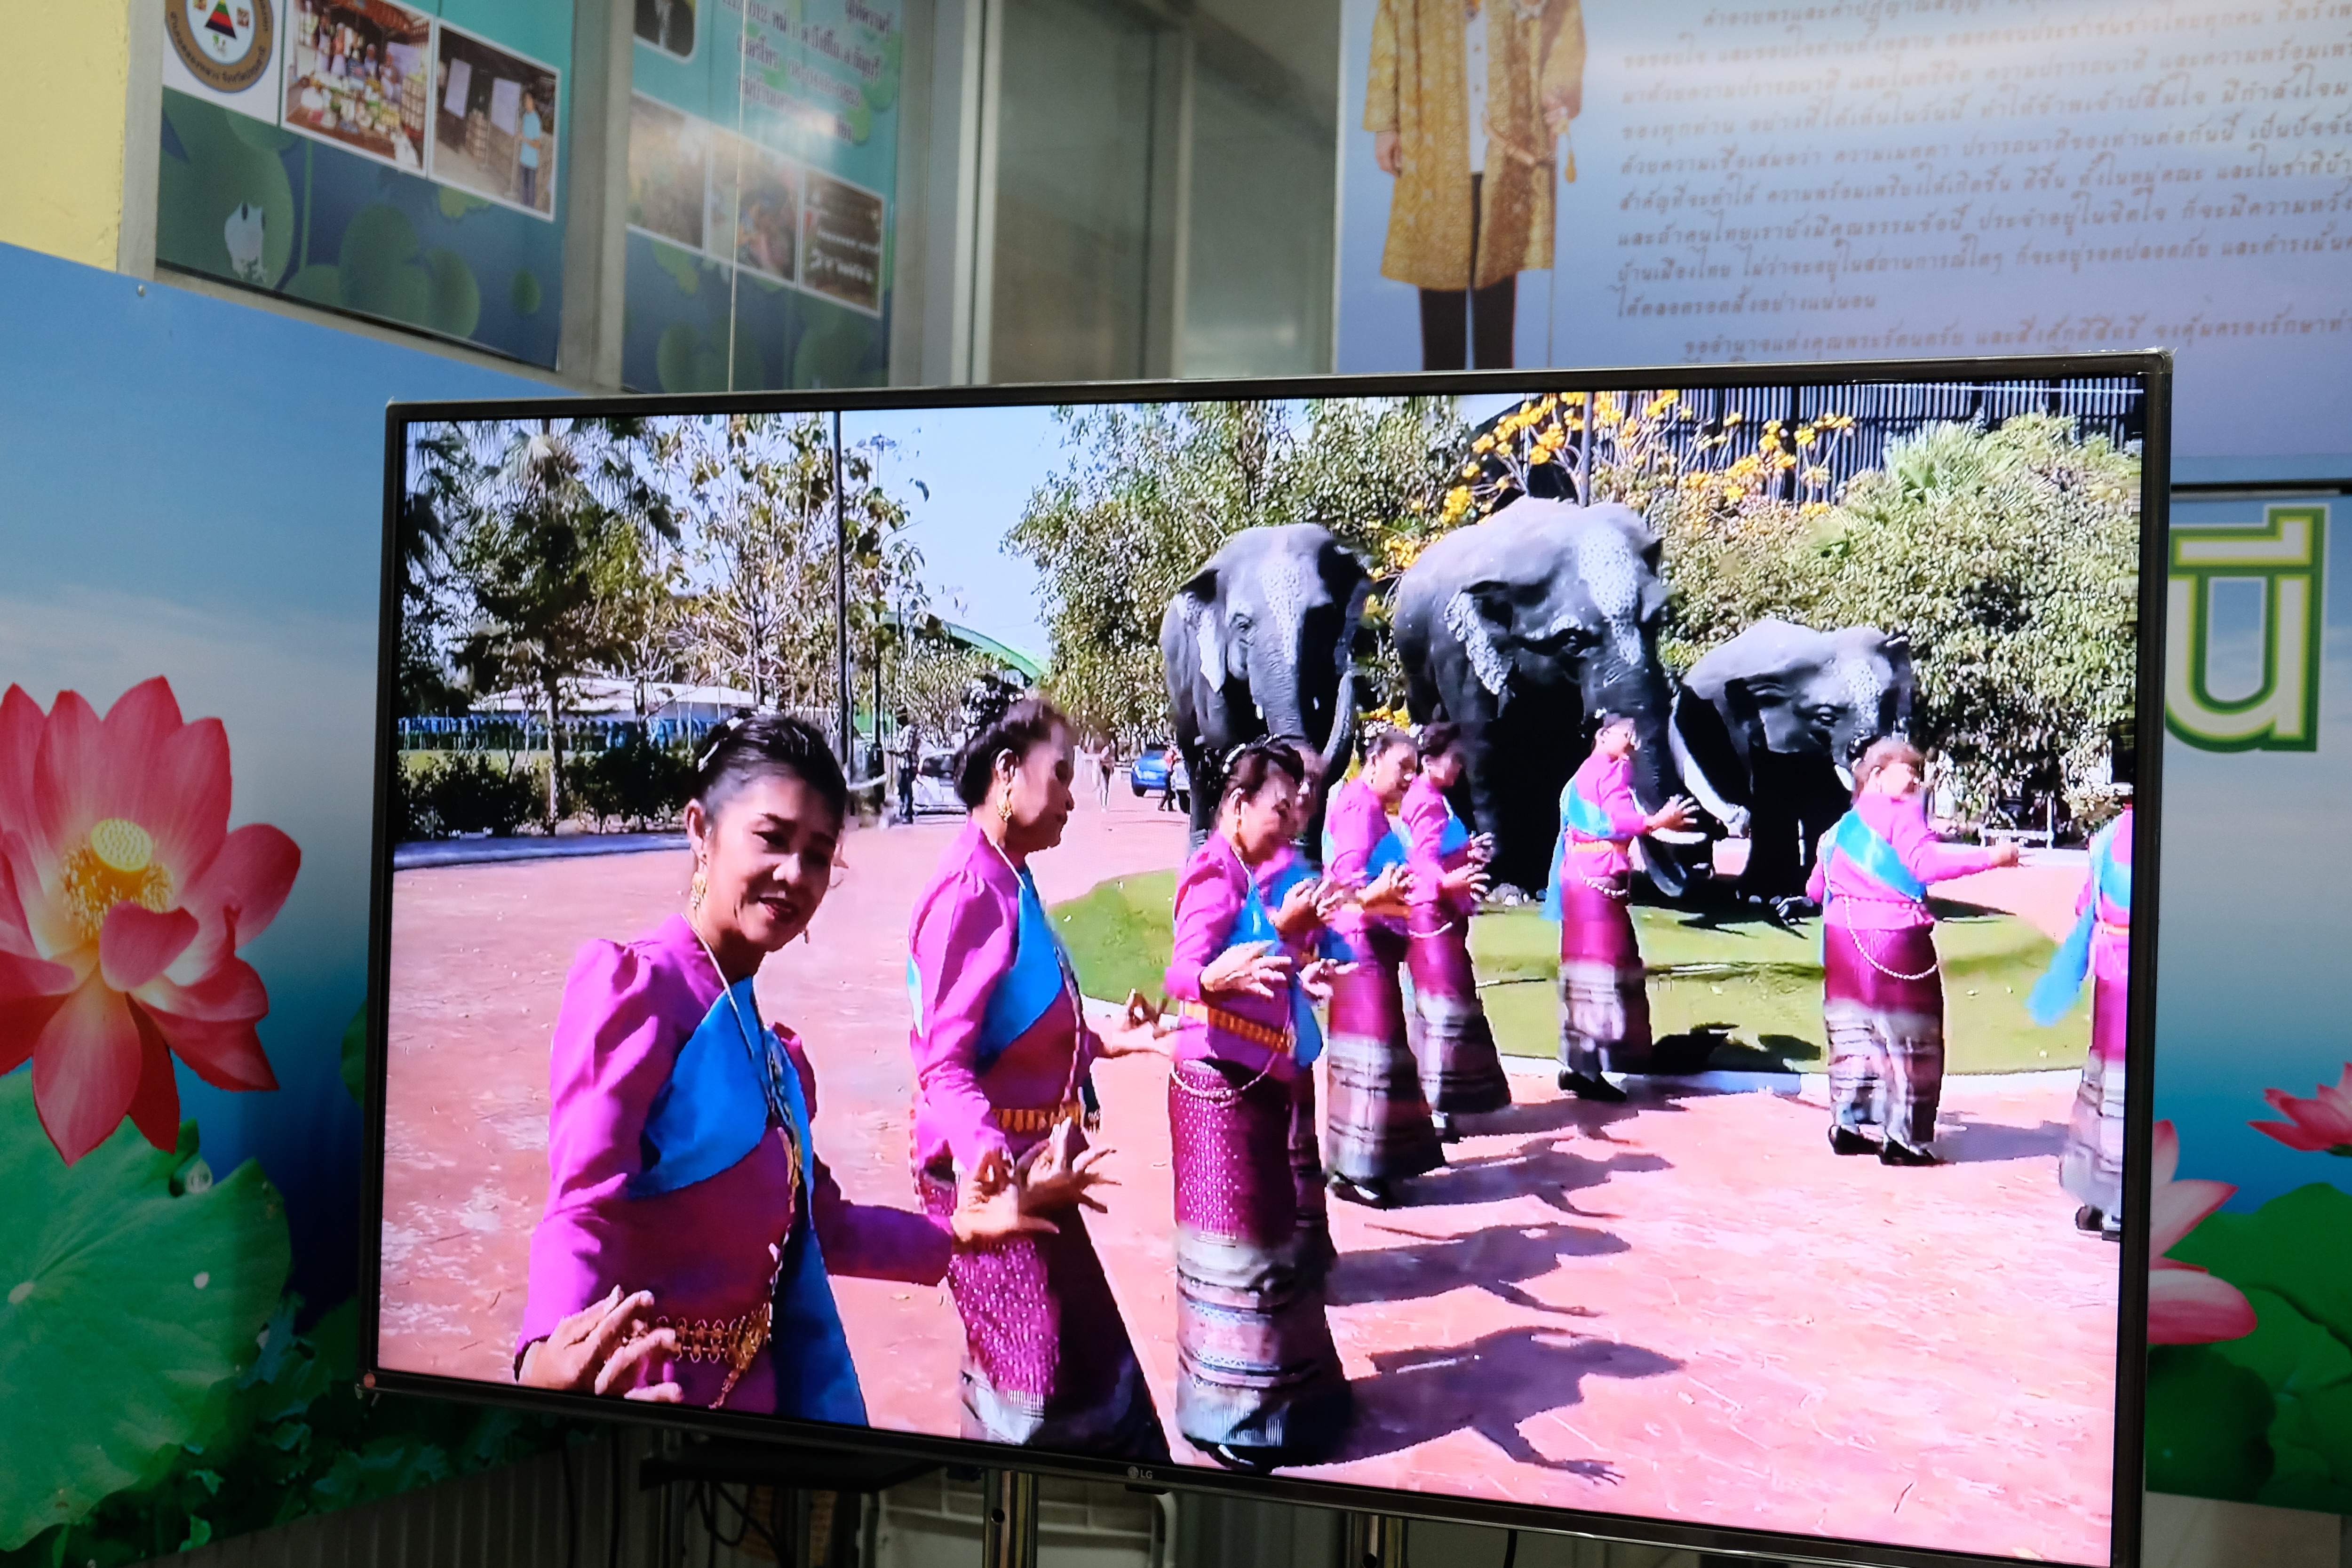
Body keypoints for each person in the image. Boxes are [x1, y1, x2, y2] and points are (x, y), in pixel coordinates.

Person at [515, 715, 1043, 1413]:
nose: (796, 873)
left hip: (769, 1403)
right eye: (772, 838)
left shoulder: (770, 1048)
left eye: (819, 854)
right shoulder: (639, 995)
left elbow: (822, 1225)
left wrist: (959, 1236)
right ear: (701, 830)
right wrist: (544, 1349)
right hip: (658, 1402)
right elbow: (585, 1204)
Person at [905, 695, 1173, 1457]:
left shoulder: (1008, 878)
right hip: (993, 1184)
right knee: (1039, 1388)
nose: (1071, 797)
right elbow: (945, 1067)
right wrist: (993, 1165)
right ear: (1006, 773)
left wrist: (1108, 1040)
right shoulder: (969, 894)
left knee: (1075, 1369)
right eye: (1059, 776)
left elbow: (1022, 1033)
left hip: (1033, 1178)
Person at [1163, 739, 1352, 1470]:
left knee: (1262, 1246)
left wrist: (1294, 976)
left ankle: (1260, 1401)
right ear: (1238, 807)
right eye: (1279, 808)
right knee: (1236, 1258)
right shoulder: (1212, 873)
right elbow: (1185, 969)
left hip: (1251, 1081)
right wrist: (1215, 978)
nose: (1290, 822)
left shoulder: (1244, 872)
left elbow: (1255, 961)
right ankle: (1236, 1418)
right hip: (1217, 1091)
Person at [1806, 738, 2018, 1166]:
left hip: (1843, 942)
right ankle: (1903, 1138)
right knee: (1909, 1038)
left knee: (1855, 1034)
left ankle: (1849, 1124)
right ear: (1878, 775)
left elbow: (1815, 890)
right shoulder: (1901, 811)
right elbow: (1924, 865)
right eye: (1910, 770)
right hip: (1893, 939)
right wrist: (1992, 856)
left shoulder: (1837, 830)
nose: (1916, 780)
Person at [1365, 0, 1586, 370]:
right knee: (1439, 319)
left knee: (1496, 315)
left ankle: (1498, 395)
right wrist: (1386, 122)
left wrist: (1557, 94)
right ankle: (1439, 405)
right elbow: (1390, 26)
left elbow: (1562, 22)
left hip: (1507, 153)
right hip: (1435, 151)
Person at [1543, 713, 1697, 1103]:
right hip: (1591, 881)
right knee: (1597, 970)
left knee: (1603, 966)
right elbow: (1607, 821)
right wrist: (1654, 821)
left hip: (1594, 880)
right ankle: (1585, 1068)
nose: (1633, 741)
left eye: (1634, 734)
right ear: (1603, 735)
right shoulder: (1597, 773)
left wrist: (1653, 823)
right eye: (1626, 734)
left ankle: (1584, 1064)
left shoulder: (1613, 770)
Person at [1320, 728, 1441, 1206]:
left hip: (1371, 946)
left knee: (1378, 1053)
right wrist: (1380, 896)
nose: (1409, 779)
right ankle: (1357, 1169)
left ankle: (1364, 1164)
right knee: (1369, 1057)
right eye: (1401, 769)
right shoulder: (1357, 810)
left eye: (1414, 771)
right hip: (1358, 948)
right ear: (1372, 763)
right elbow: (1349, 882)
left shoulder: (1370, 808)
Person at [2029, 734, 2134, 1236]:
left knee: (2105, 1086)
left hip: (2111, 971)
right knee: (2134, 1090)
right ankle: (2120, 1205)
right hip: (2143, 971)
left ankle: (2096, 1197)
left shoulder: (2108, 837)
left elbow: (2083, 909)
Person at [1403, 723, 1513, 1132]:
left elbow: (1439, 852)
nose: (1459, 769)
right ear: (1429, 760)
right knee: (1440, 1009)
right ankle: (1434, 1105)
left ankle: (1443, 1100)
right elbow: (1423, 861)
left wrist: (1468, 850)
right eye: (1455, 760)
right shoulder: (1427, 801)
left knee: (1443, 1007)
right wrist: (1452, 881)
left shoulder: (1434, 798)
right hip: (1431, 917)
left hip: (1441, 917)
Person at [890, 711, 921, 824]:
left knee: (907, 789)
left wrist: (895, 751)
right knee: (901, 787)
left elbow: (906, 748)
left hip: (908, 764)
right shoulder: (903, 730)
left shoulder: (908, 731)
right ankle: (904, 811)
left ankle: (908, 813)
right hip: (902, 764)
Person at [518, 90, 545, 210]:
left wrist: (525, 139)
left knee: (530, 198)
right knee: (523, 194)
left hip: (531, 164)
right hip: (523, 160)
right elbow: (525, 136)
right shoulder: (525, 117)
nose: (527, 103)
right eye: (525, 101)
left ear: (533, 102)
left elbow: (538, 144)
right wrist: (521, 137)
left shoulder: (536, 120)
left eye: (529, 100)